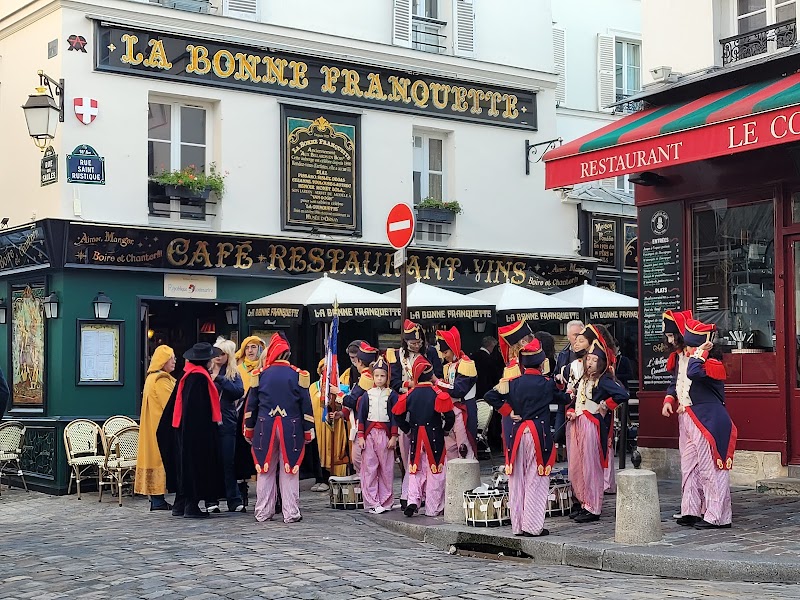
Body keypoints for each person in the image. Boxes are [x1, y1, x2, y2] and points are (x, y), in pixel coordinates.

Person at [484, 339, 555, 537]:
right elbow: (563, 398)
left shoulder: (512, 383)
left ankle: (517, 526)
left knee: (516, 479)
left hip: (516, 435)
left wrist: (508, 410)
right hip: (537, 434)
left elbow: (490, 395)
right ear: (541, 364)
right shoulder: (547, 384)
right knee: (536, 478)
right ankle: (532, 526)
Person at [244, 333, 315, 524]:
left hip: (264, 427)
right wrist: (308, 430)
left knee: (265, 471)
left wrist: (248, 429)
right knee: (290, 470)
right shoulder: (298, 374)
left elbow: (251, 406)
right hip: (291, 427)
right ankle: (291, 512)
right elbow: (305, 406)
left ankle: (262, 512)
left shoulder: (260, 374)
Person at [566, 336, 629, 523]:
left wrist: (606, 405)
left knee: (591, 467)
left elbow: (622, 394)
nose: (590, 363)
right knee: (578, 467)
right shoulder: (582, 379)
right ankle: (583, 501)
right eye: (589, 360)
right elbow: (574, 400)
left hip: (591, 425)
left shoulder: (603, 380)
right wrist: (570, 410)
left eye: (595, 361)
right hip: (577, 423)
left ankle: (593, 507)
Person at [682, 318, 737, 530]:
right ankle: (696, 510)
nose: (687, 351)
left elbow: (693, 372)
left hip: (710, 420)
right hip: (698, 418)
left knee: (712, 470)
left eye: (691, 347)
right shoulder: (700, 362)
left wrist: (701, 352)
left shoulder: (711, 364)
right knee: (694, 468)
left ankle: (718, 517)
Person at [161, 342, 225, 518]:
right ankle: (192, 505)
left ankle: (179, 505)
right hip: (196, 433)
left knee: (185, 466)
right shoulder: (199, 378)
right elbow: (198, 410)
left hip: (182, 430)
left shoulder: (187, 374)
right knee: (196, 467)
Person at [387, 320, 442, 508]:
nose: (416, 346)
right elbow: (394, 381)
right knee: (408, 453)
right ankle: (408, 493)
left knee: (432, 453)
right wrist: (410, 387)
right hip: (407, 402)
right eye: (413, 343)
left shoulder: (431, 352)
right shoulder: (396, 355)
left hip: (428, 402)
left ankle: (427, 494)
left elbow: (438, 375)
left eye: (419, 343)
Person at [392, 356, 455, 518]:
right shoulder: (437, 393)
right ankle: (433, 508)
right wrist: (446, 430)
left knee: (415, 470)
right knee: (436, 472)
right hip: (435, 436)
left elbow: (398, 415)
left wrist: (407, 430)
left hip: (415, 437)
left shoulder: (409, 395)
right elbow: (449, 416)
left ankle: (413, 500)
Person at [660, 309, 704, 525]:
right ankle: (690, 507)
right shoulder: (678, 357)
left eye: (671, 336)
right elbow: (674, 382)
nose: (669, 341)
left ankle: (704, 506)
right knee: (687, 463)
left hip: (699, 414)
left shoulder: (700, 355)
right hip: (683, 415)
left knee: (702, 463)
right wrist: (669, 399)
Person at [205, 339, 246, 513]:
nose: (218, 357)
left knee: (227, 462)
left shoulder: (232, 373)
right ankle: (210, 500)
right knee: (210, 462)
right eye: (216, 353)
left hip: (227, 422)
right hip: (209, 422)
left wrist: (220, 379)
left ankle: (234, 500)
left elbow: (239, 391)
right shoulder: (205, 370)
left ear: (228, 356)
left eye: (222, 354)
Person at [135, 345, 176, 511]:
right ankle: (158, 499)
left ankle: (156, 499)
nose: (174, 361)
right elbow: (171, 405)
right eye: (171, 358)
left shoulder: (151, 378)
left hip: (153, 426)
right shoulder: (161, 380)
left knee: (154, 458)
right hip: (161, 428)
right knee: (160, 460)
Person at [356, 357, 398, 513]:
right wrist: (361, 436)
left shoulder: (392, 395)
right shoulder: (367, 395)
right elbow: (361, 416)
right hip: (370, 435)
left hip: (385, 435)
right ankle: (372, 501)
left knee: (386, 469)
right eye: (377, 376)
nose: (379, 379)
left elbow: (395, 417)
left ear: (387, 377)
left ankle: (386, 501)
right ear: (373, 377)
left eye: (382, 376)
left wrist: (394, 437)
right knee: (370, 468)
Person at [436, 326, 478, 459]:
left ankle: (467, 480)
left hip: (464, 410)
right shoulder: (448, 366)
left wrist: (437, 382)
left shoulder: (467, 364)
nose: (444, 355)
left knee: (464, 448)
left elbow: (458, 391)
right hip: (450, 412)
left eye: (446, 351)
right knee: (450, 449)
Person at [338, 342, 378, 475]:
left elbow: (352, 400)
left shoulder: (367, 377)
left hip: (365, 425)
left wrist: (337, 394)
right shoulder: (373, 374)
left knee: (359, 461)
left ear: (360, 361)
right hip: (375, 425)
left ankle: (368, 491)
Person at [235, 336, 265, 506]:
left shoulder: (262, 370)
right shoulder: (239, 370)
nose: (251, 351)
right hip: (241, 414)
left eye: (254, 347)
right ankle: (242, 488)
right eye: (248, 348)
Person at [310, 359, 349, 485]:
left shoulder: (342, 387)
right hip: (318, 426)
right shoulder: (313, 387)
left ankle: (337, 477)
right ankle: (321, 478)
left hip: (336, 426)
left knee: (336, 449)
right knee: (319, 450)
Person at [553, 321, 584, 447]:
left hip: (582, 401)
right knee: (559, 434)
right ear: (568, 336)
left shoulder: (590, 355)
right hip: (565, 399)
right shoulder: (563, 354)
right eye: (574, 335)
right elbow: (554, 374)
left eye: (580, 335)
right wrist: (558, 376)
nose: (577, 338)